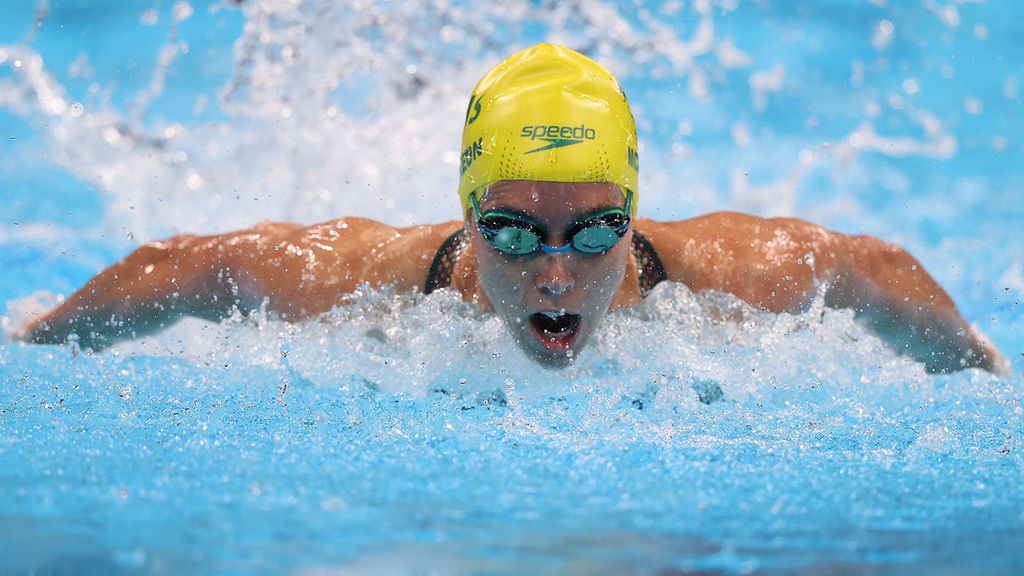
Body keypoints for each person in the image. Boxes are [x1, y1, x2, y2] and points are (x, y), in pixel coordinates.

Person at [16, 43, 1008, 374]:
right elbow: (199, 263)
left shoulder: (731, 280)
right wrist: (40, 336)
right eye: (512, 231)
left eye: (592, 232)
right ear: (466, 207)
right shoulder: (369, 287)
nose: (553, 272)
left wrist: (981, 367)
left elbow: (867, 264)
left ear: (633, 210)